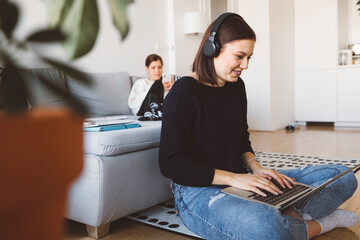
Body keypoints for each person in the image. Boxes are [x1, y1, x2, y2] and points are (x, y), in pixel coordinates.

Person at [159, 12, 358, 240]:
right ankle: (318, 223)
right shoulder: (184, 91)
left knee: (343, 176)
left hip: (243, 181)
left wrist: (257, 169)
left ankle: (289, 216)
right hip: (198, 191)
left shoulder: (236, 87)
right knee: (264, 226)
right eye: (239, 56)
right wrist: (234, 179)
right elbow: (170, 163)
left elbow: (242, 139)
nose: (245, 65)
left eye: (249, 58)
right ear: (212, 48)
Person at [128, 54, 173, 120]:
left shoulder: (166, 83)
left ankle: (158, 113)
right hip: (143, 109)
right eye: (153, 67)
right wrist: (159, 89)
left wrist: (174, 88)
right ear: (147, 68)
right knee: (157, 83)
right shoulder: (141, 82)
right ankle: (152, 113)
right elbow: (133, 104)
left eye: (159, 67)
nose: (157, 71)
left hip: (163, 107)